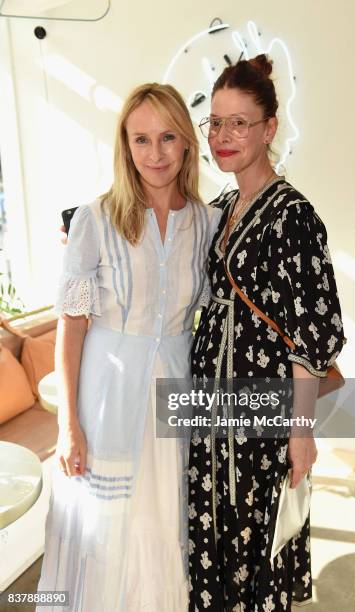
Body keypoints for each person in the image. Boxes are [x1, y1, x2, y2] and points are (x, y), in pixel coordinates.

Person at [36, 83, 221, 612]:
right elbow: (71, 329)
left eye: (167, 137)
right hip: (106, 396)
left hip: (176, 393)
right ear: (125, 144)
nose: (155, 153)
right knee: (104, 528)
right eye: (141, 139)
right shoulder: (95, 219)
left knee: (164, 521)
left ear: (186, 141)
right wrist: (68, 425)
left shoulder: (206, 223)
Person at [188, 54, 346, 611]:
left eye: (239, 123)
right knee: (211, 542)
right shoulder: (222, 206)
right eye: (215, 122)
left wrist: (301, 432)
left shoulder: (293, 214)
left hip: (262, 418)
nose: (223, 136)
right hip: (210, 414)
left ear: (269, 128)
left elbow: (313, 335)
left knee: (256, 543)